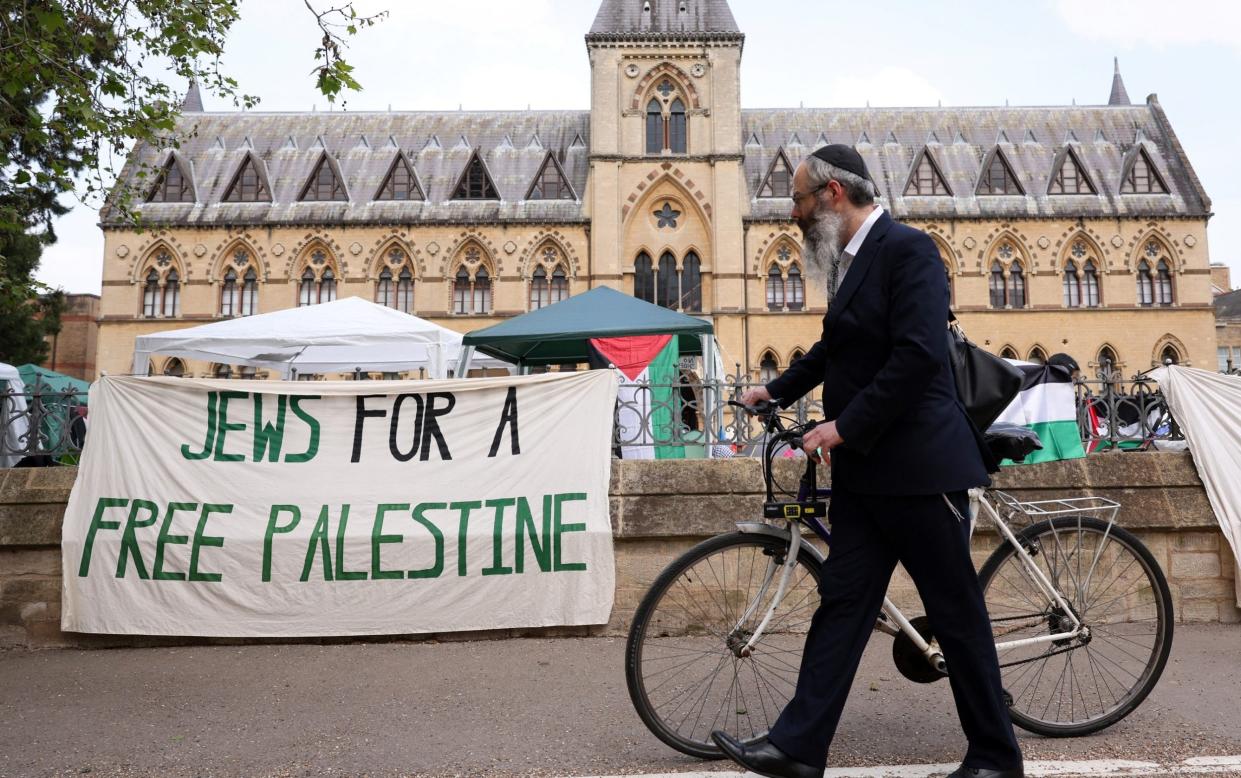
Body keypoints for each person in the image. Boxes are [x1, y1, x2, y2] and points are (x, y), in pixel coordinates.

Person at [713, 145, 1024, 778]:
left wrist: (842, 427)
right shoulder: (850, 263)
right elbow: (837, 349)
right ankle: (797, 749)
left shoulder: (909, 250)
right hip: (867, 475)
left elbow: (916, 359)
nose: (793, 215)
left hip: (918, 470)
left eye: (798, 201)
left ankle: (996, 757)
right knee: (842, 607)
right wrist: (776, 390)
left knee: (956, 614)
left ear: (831, 195)